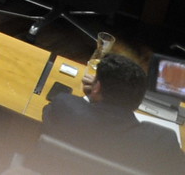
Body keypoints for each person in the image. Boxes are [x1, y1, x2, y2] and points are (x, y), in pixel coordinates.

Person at [41, 53, 182, 174]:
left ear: (97, 87)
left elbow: (50, 113)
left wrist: (92, 97)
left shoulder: (65, 106)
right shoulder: (163, 141)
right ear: (138, 101)